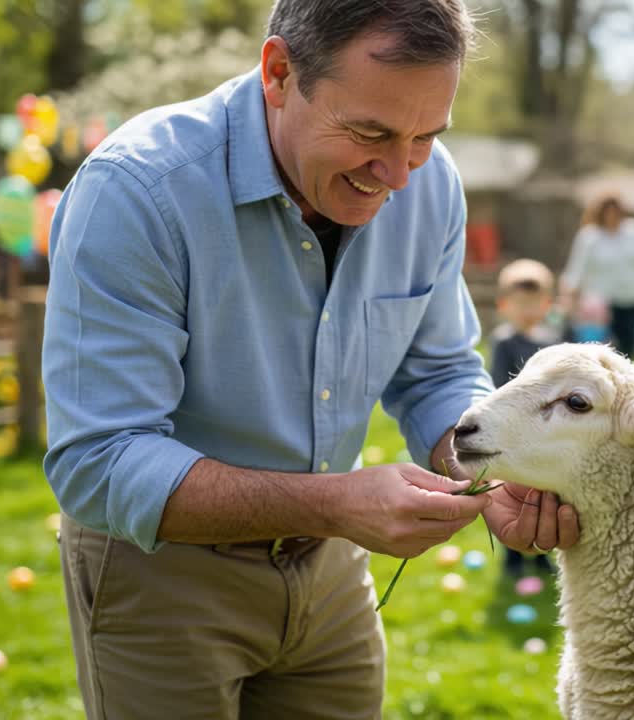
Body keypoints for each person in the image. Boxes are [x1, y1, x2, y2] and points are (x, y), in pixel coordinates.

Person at [41, 3, 580, 718]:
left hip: (330, 569)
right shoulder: (139, 191)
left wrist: (486, 466)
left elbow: (438, 370)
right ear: (278, 73)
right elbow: (99, 460)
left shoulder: (432, 183)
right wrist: (336, 503)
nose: (397, 175)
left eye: (424, 136)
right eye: (370, 132)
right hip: (159, 577)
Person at [488, 258, 559, 577]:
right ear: (505, 306)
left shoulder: (551, 342)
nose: (528, 311)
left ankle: (542, 551)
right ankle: (512, 554)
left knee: (546, 489)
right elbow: (500, 386)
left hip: (545, 433)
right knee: (513, 489)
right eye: (520, 305)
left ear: (547, 305)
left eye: (534, 304)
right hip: (514, 432)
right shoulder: (504, 342)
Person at [559, 194, 634, 359]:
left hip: (631, 297)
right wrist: (569, 293)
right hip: (600, 303)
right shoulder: (589, 237)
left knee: (629, 342)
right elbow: (577, 268)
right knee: (604, 346)